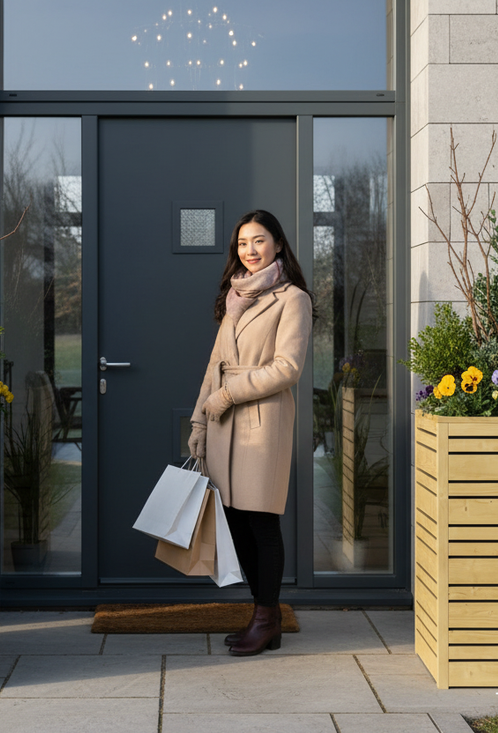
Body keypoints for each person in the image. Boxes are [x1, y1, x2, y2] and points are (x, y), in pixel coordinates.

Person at [187, 209, 313, 656]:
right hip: (223, 425)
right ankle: (262, 615)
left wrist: (226, 396)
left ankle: (267, 617)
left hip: (263, 424)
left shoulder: (293, 299)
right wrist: (201, 419)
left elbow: (288, 368)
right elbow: (214, 364)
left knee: (261, 521)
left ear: (278, 244)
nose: (250, 250)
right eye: (242, 243)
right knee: (236, 521)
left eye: (258, 241)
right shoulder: (236, 295)